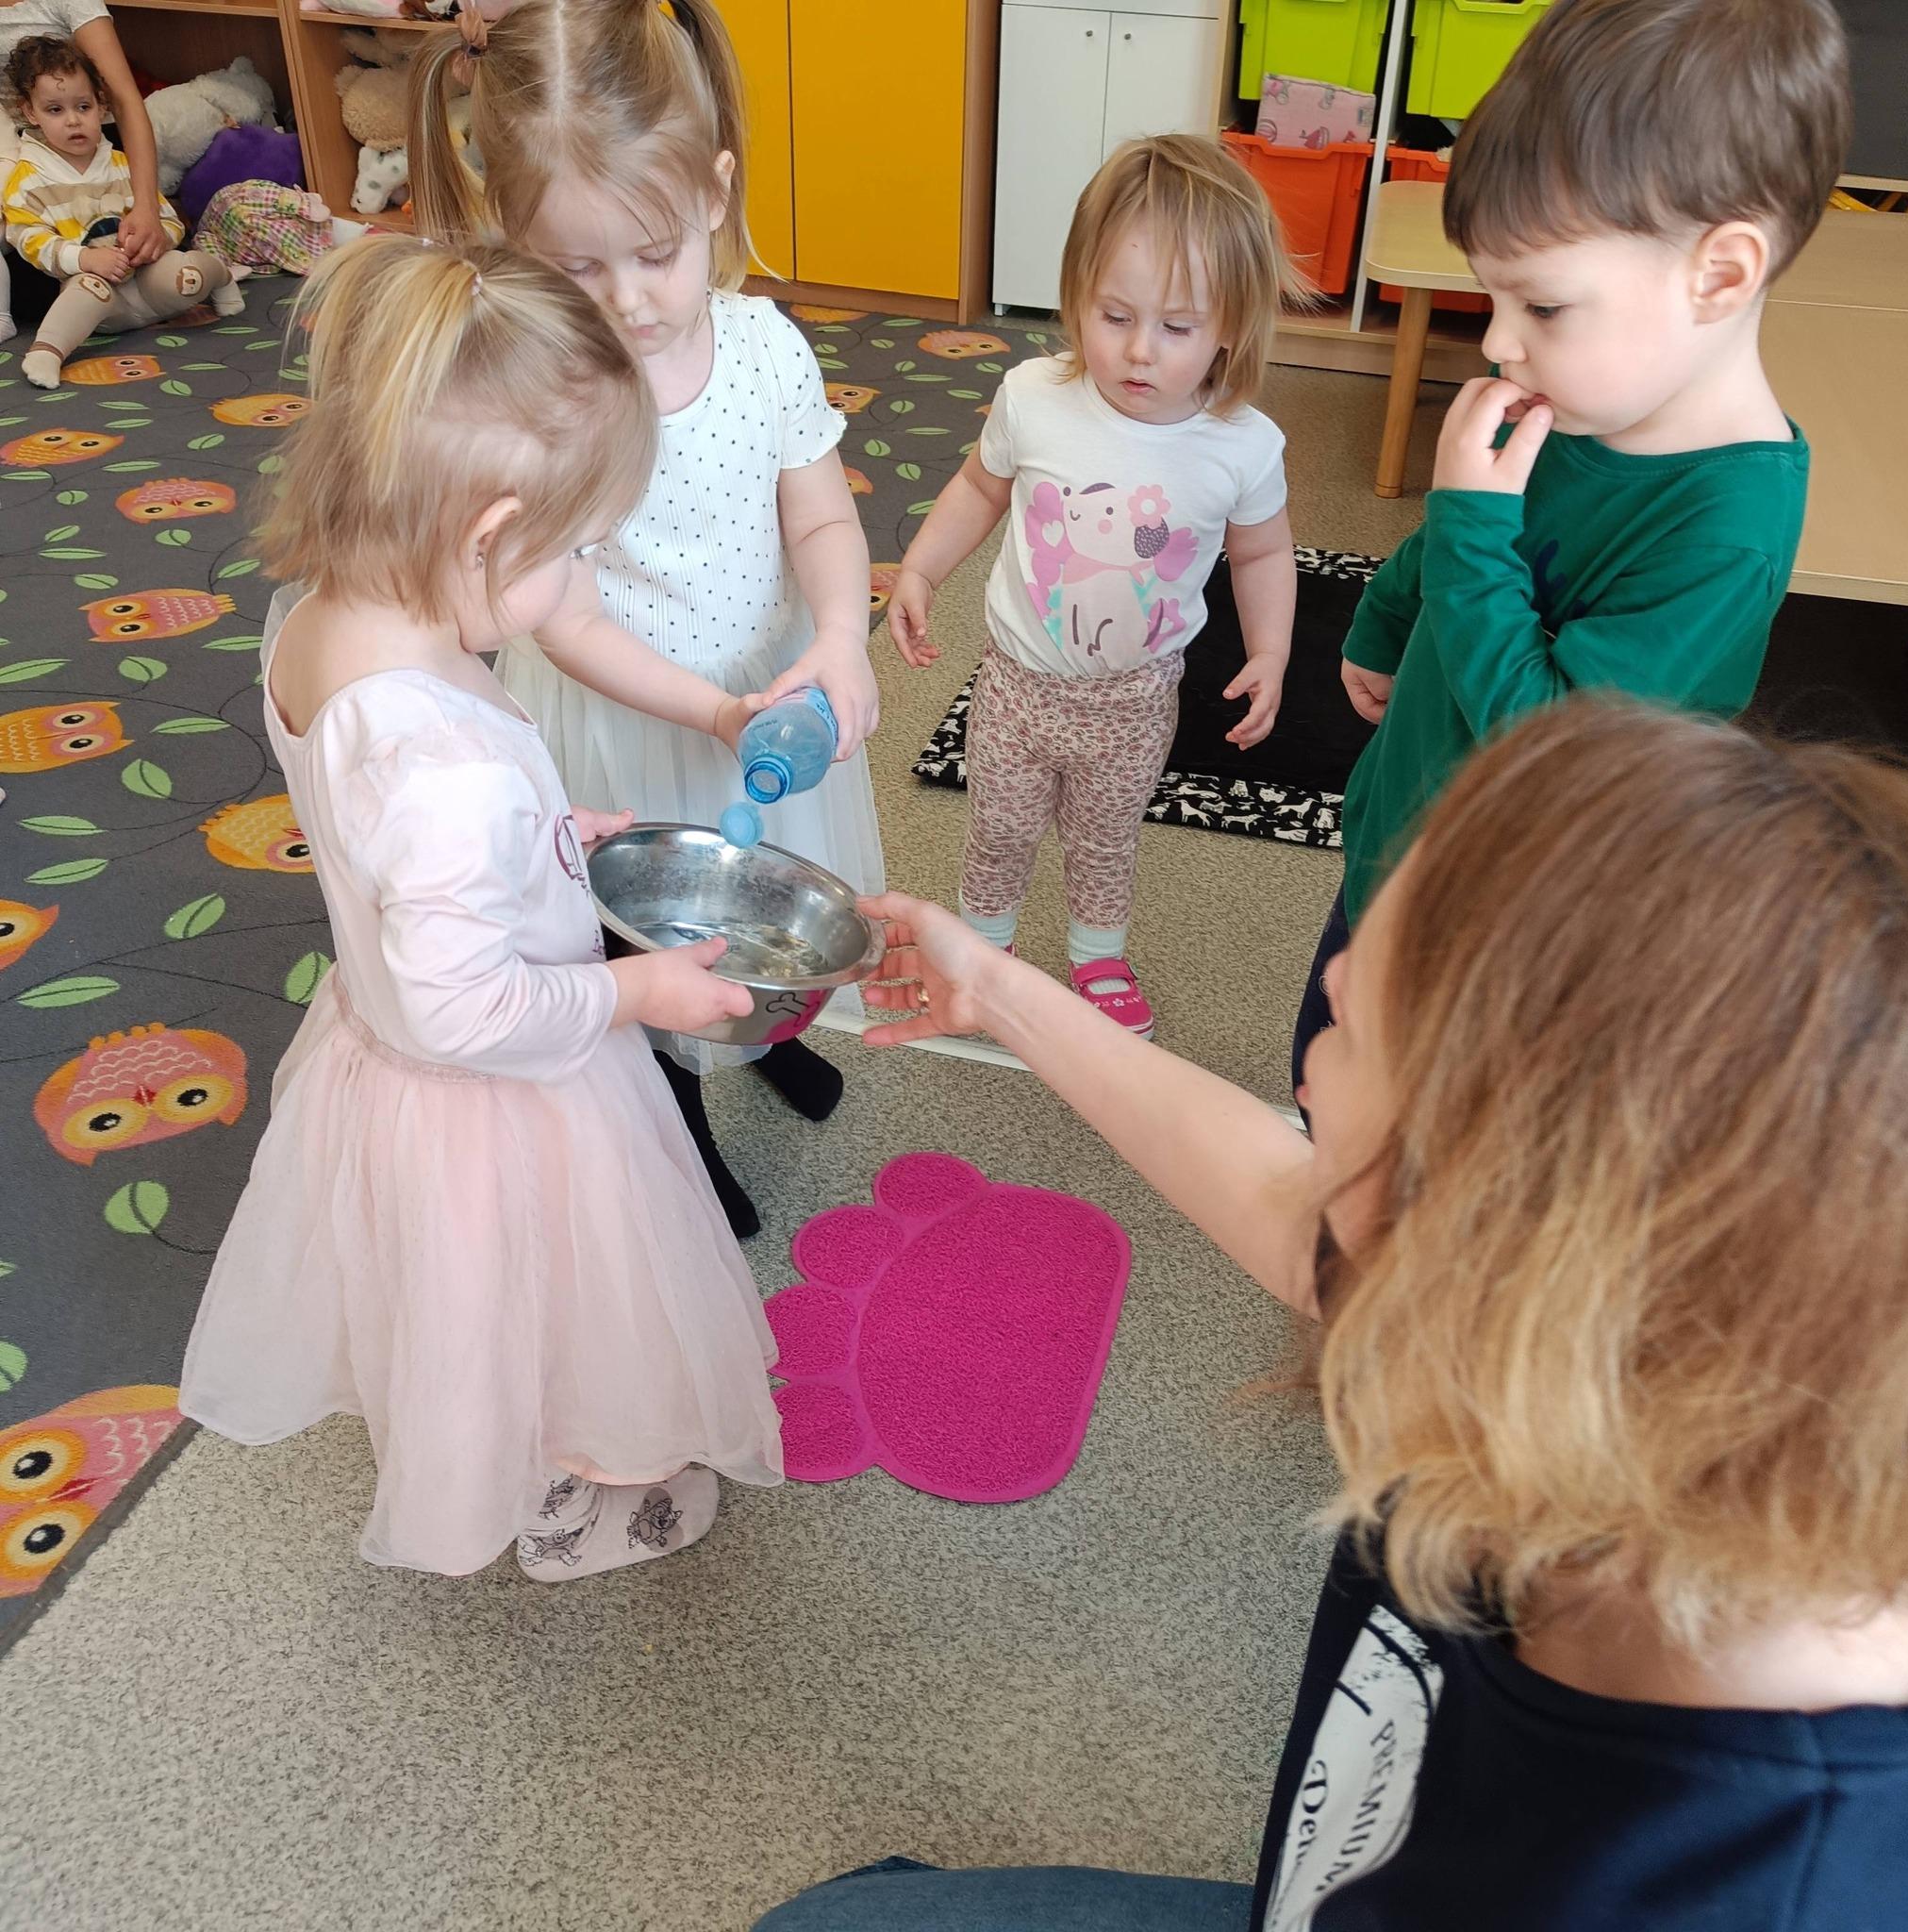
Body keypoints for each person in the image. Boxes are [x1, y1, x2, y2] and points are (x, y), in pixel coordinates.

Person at [756, 698, 1908, 1928]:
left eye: (1362, 1022)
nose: (1328, 978)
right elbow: (1297, 1216)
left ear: (1503, 1213)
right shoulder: (1633, 1342)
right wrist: (998, 991)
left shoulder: (1722, 1884)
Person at [178, 234, 786, 1582]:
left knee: (462, 1306)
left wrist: (553, 838)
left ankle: (523, 1454)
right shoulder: (448, 768)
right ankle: (581, 1490)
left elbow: (389, 846)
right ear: (490, 536)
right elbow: (465, 1001)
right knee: (558, 1294)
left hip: (378, 1057)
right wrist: (636, 989)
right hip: (504, 1091)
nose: (581, 582)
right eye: (577, 552)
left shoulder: (321, 622)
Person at [1290, 0, 1851, 1097]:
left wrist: (1467, 526)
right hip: (1401, 842)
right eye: (1491, 295)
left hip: (1502, 921)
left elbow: (1547, 744)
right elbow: (1462, 531)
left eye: (1540, 305)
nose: (1497, 341)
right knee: (1323, 1082)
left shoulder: (1721, 532)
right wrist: (1385, 615)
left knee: (1400, 1143)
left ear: (1719, 274)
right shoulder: (1585, 396)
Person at [408, 0, 885, 1238]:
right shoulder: (544, 399)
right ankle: (677, 1121)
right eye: (578, 267)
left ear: (714, 193)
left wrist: (838, 636)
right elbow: (564, 619)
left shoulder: (766, 349)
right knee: (642, 940)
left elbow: (821, 518)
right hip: (626, 722)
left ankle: (764, 1034)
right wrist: (713, 712)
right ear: (516, 242)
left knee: (766, 898)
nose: (628, 299)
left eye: (656, 251)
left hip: (764, 689)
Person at [887, 134, 1302, 1040]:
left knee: (1106, 838)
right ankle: (981, 955)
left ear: (1232, 326)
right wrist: (919, 568)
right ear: (1076, 295)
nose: (1140, 351)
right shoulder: (1033, 396)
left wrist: (1271, 651)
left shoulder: (1242, 446)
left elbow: (1263, 555)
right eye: (1114, 315)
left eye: (1178, 328)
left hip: (1134, 700)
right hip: (1017, 686)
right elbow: (980, 489)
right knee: (998, 827)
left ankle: (1098, 954)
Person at [1, 33, 237, 387]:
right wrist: (83, 258)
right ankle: (48, 351)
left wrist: (157, 240)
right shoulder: (28, 179)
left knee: (186, 272)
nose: (73, 120)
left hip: (148, 281)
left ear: (102, 106)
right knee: (85, 291)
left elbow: (167, 219)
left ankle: (223, 277)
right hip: (100, 299)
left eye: (83, 107)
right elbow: (27, 238)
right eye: (55, 110)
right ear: (30, 112)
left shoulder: (121, 164)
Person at [0, 0, 170, 345]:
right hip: (17, 157)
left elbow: (124, 99)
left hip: (83, 160)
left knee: (108, 266)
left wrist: (146, 207)